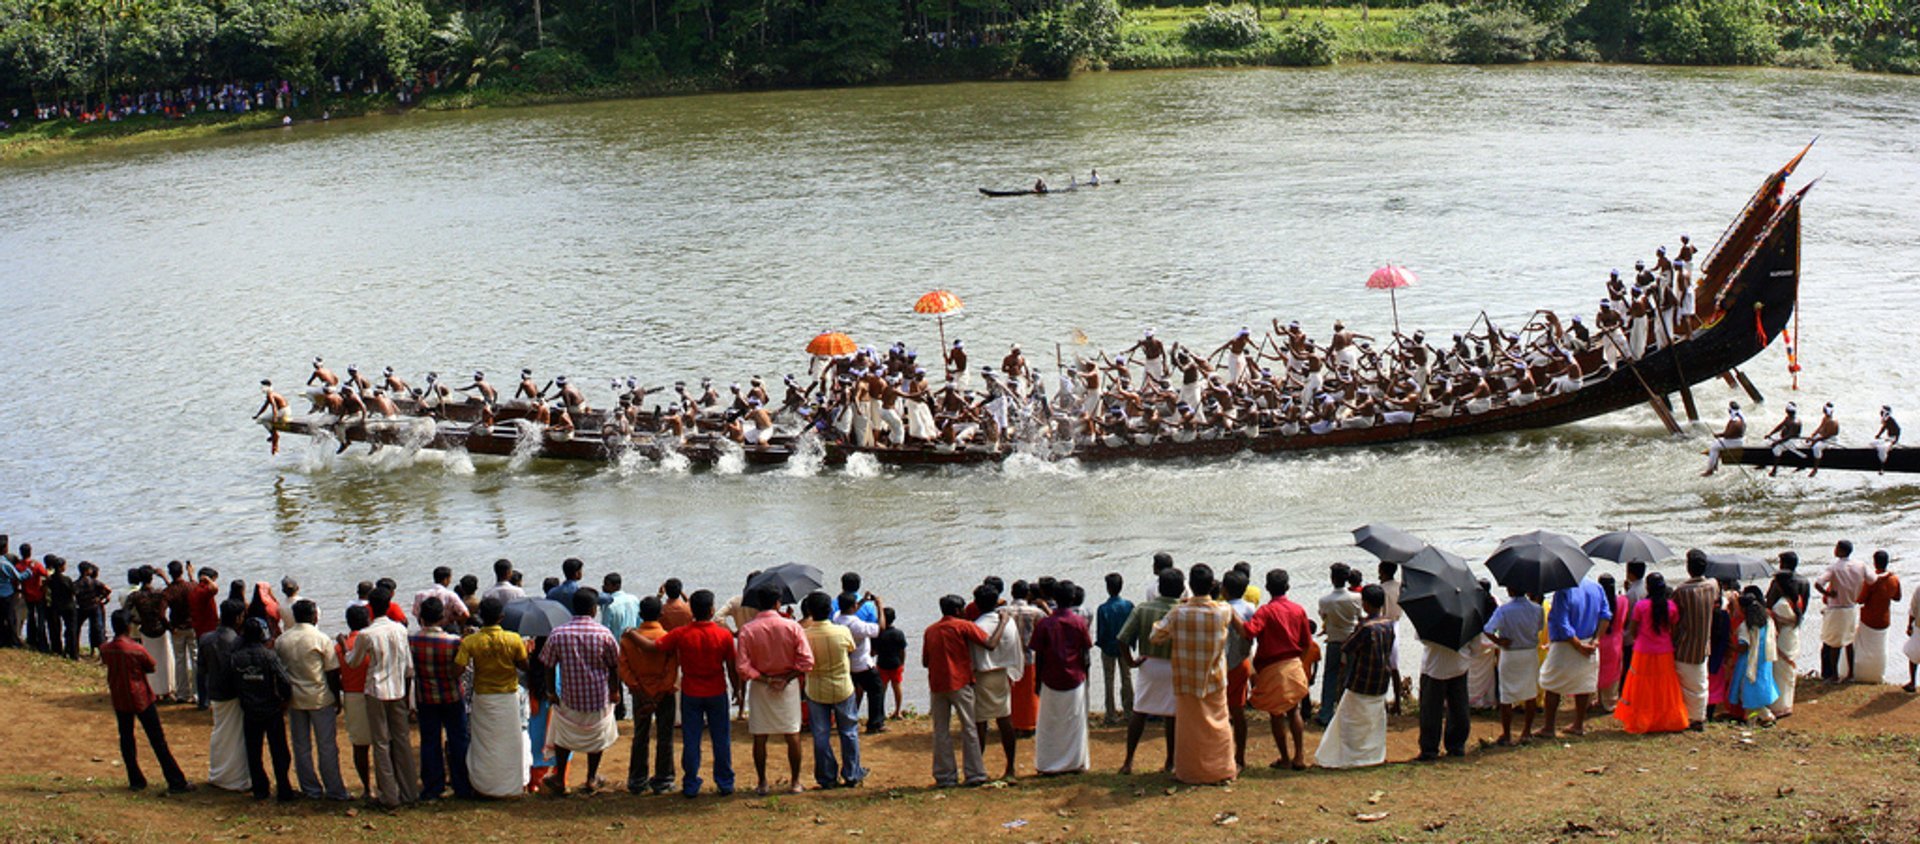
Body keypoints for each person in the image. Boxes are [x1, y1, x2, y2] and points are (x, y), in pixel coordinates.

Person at [636, 589, 738, 797]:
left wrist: (630, 634)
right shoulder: (723, 634)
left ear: (692, 610)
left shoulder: (682, 633)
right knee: (721, 738)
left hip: (691, 692)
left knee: (691, 739)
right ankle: (725, 782)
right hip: (717, 690)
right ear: (711, 610)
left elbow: (653, 647)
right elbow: (732, 666)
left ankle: (691, 783)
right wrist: (738, 689)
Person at [1150, 564, 1240, 784]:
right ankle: (1222, 769)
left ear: (1188, 586)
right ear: (1212, 585)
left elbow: (1155, 636)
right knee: (1219, 724)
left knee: (1188, 729)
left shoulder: (1178, 613)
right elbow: (1237, 620)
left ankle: (1189, 772)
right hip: (1214, 678)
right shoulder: (1223, 611)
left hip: (1186, 678)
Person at [537, 588, 621, 796]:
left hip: (569, 696)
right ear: (593, 610)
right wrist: (615, 690)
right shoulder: (604, 633)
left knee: (563, 737)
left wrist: (550, 691)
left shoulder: (559, 633)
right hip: (598, 697)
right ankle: (591, 778)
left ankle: (560, 777)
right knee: (597, 737)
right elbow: (614, 666)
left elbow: (547, 664)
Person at [103, 610, 194, 793]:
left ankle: (135, 780)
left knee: (127, 738)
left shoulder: (106, 648)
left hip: (120, 697)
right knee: (157, 740)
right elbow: (151, 666)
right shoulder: (136, 649)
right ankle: (175, 780)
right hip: (141, 697)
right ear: (129, 627)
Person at [735, 584, 814, 795]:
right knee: (792, 733)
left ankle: (762, 783)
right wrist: (786, 678)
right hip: (787, 685)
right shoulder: (792, 627)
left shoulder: (748, 629)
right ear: (778, 602)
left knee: (760, 736)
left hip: (761, 686)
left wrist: (766, 679)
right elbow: (807, 661)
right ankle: (796, 782)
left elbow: (742, 667)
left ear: (758, 604)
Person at [344, 588, 419, 808]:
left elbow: (353, 662)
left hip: (376, 691)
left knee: (381, 743)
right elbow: (408, 665)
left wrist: (342, 644)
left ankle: (389, 796)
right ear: (389, 605)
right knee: (402, 741)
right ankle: (409, 792)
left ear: (370, 608)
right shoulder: (400, 630)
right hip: (398, 689)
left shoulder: (367, 634)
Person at [274, 600, 350, 801]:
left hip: (294, 699)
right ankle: (334, 790)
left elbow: (279, 671)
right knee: (326, 746)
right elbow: (332, 672)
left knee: (301, 746)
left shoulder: (282, 640)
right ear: (314, 616)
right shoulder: (321, 639)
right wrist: (336, 698)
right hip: (319, 698)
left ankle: (310, 789)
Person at [456, 597, 530, 799]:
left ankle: (484, 786)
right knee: (510, 743)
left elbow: (458, 669)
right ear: (502, 617)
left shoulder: (471, 641)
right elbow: (524, 666)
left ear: (481, 616)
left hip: (484, 697)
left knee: (484, 744)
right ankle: (512, 786)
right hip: (508, 697)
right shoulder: (514, 639)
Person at [1316, 584, 1395, 769]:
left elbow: (1348, 647)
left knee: (1349, 719)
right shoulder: (1389, 624)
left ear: (1366, 604)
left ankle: (1351, 755)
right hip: (1381, 680)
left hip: (1361, 680)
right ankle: (1372, 754)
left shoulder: (1366, 628)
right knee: (1373, 720)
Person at [1243, 569, 1313, 769]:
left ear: (1267, 588)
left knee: (1276, 714)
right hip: (1293, 664)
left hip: (1271, 667)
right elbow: (1306, 643)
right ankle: (1299, 756)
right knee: (1294, 711)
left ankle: (1285, 758)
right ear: (1287, 587)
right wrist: (1298, 662)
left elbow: (1250, 631)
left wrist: (1233, 616)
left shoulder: (1265, 611)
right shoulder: (1298, 610)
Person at [1117, 568, 1181, 775]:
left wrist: (1131, 662)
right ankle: (1170, 761)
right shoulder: (1183, 610)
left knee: (1140, 710)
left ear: (1160, 588)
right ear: (1181, 589)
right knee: (1171, 715)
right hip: (1174, 666)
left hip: (1148, 664)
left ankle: (1128, 761)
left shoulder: (1143, 609)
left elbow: (1123, 638)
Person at [923, 594, 991, 787]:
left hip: (937, 685)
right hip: (960, 682)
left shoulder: (930, 630)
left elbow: (925, 661)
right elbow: (989, 643)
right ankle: (975, 773)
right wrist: (1003, 622)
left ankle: (945, 776)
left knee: (941, 731)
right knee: (969, 728)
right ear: (956, 611)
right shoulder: (963, 626)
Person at [227, 618, 295, 801]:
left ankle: (260, 789)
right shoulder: (269, 656)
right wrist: (284, 701)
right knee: (279, 751)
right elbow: (285, 681)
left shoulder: (236, 658)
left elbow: (231, 682)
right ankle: (284, 788)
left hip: (249, 710)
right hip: (272, 710)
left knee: (253, 752)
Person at [800, 592, 864, 789]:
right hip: (842, 686)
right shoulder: (842, 631)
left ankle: (827, 777)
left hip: (816, 689)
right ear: (830, 610)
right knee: (849, 731)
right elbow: (851, 648)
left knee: (821, 734)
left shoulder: (804, 635)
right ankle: (852, 773)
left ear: (809, 611)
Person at [411, 597, 471, 800]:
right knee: (458, 741)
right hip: (452, 696)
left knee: (430, 742)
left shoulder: (412, 641)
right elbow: (459, 670)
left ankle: (432, 786)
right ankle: (461, 785)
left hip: (425, 697)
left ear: (421, 618)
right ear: (442, 617)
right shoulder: (453, 642)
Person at [1030, 581, 1092, 775]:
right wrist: (1086, 678)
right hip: (1075, 677)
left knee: (1049, 724)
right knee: (1074, 723)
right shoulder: (1078, 622)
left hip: (1050, 678)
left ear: (1055, 598)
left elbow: (1039, 655)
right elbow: (1085, 652)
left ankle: (1048, 764)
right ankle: (1075, 762)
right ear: (1073, 598)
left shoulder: (1045, 623)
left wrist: (1037, 681)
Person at [1615, 573, 1689, 734]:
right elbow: (1673, 630)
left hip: (1643, 651)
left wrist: (1642, 639)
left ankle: (1642, 720)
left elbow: (1633, 630)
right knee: (1664, 686)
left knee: (1642, 687)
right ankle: (1667, 720)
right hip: (1664, 651)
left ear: (1648, 587)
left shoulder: (1641, 606)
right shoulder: (1671, 606)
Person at [1540, 576, 1612, 737]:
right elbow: (1605, 615)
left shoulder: (1563, 590)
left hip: (1566, 644)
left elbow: (1562, 623)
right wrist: (1597, 639)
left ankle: (1549, 727)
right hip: (1589, 642)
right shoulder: (1596, 587)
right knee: (1583, 685)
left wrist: (1578, 645)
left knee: (1552, 685)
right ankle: (1578, 724)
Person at [619, 596, 678, 794]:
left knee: (640, 735)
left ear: (640, 615)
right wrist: (660, 692)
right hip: (663, 693)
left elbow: (624, 668)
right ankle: (664, 779)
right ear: (661, 614)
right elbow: (672, 669)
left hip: (640, 693)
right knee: (664, 736)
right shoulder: (667, 637)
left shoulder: (628, 639)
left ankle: (637, 779)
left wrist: (638, 689)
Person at [969, 583, 1023, 781]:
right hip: (1002, 674)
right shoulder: (1007, 623)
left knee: (980, 723)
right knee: (1005, 720)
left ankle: (978, 768)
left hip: (982, 675)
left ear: (976, 603)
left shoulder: (977, 626)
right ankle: (1010, 767)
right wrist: (1014, 672)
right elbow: (1016, 649)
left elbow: (972, 655)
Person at [200, 599, 251, 792]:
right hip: (234, 694)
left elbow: (202, 669)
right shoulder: (238, 642)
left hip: (215, 692)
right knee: (237, 737)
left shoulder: (206, 639)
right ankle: (236, 778)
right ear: (238, 618)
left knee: (220, 732)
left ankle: (218, 773)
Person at [1483, 584, 1542, 745]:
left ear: (1511, 590)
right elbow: (1539, 627)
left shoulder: (1504, 610)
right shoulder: (1537, 608)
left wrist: (1498, 641)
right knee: (1530, 693)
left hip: (1510, 653)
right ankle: (1526, 732)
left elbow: (1488, 629)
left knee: (1506, 695)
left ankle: (1507, 734)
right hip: (1529, 653)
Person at [1673, 551, 1718, 730]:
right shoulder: (1712, 586)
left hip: (1684, 645)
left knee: (1686, 686)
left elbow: (1674, 617)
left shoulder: (1681, 591)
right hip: (1703, 645)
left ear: (1688, 568)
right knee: (1700, 684)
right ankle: (1698, 717)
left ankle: (1691, 718)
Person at [334, 605, 375, 798]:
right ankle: (386, 785)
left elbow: (335, 676)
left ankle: (367, 788)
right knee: (383, 742)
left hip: (352, 695)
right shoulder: (373, 641)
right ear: (368, 621)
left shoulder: (341, 646)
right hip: (375, 693)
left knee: (360, 745)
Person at [1219, 569, 1258, 769]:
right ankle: (1240, 756)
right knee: (1238, 709)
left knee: (1220, 711)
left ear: (1223, 589)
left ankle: (1222, 755)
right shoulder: (1250, 608)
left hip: (1220, 664)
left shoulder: (1220, 608)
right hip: (1242, 661)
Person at [1315, 563, 1363, 727]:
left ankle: (1326, 713)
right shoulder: (1356, 598)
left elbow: (1324, 618)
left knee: (1330, 677)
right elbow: (1360, 617)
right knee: (1351, 677)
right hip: (1352, 641)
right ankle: (1349, 713)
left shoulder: (1325, 600)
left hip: (1334, 641)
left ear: (1332, 579)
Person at [832, 591, 886, 735]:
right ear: (853, 606)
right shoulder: (857, 625)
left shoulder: (837, 618)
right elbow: (880, 629)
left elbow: (849, 611)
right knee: (876, 691)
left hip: (846, 664)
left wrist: (862, 601)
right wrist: (880, 607)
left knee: (847, 695)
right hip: (861, 664)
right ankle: (875, 723)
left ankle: (844, 721)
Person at [1814, 540, 1867, 683]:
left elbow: (1818, 583)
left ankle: (1834, 675)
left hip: (1836, 609)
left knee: (1833, 642)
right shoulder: (1860, 566)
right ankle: (1851, 674)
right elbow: (1872, 580)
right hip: (1850, 607)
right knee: (1849, 641)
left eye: (1836, 548)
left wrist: (1828, 593)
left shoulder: (1834, 567)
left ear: (1841, 551)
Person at [1728, 589, 1779, 725]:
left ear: (1743, 609)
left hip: (1748, 662)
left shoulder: (1746, 626)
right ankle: (1755, 718)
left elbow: (1743, 647)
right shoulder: (1767, 621)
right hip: (1764, 660)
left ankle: (1766, 716)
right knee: (1760, 687)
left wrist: (1729, 646)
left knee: (1748, 691)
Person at [1766, 559, 1808, 716]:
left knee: (1780, 671)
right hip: (1792, 635)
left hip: (1783, 637)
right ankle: (1786, 704)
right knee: (1787, 671)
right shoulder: (1797, 600)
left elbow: (1773, 617)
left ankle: (1779, 706)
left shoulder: (1783, 604)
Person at [1094, 573, 1135, 725]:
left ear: (1108, 588)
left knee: (1109, 680)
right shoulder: (1128, 605)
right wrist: (1132, 644)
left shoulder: (1103, 608)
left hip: (1108, 648)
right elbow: (1133, 627)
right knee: (1127, 677)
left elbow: (1101, 632)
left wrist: (1102, 645)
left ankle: (1110, 714)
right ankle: (1129, 711)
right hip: (1124, 647)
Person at [1854, 551, 1900, 685]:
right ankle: (1878, 674)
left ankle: (1861, 674)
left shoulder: (1872, 581)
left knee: (1864, 648)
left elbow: (1861, 600)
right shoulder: (1894, 579)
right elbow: (1897, 597)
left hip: (1869, 619)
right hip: (1884, 619)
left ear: (1874, 563)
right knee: (1880, 649)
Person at [599, 573, 641, 719]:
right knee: (635, 683)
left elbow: (605, 629)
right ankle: (638, 712)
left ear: (615, 586)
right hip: (634, 648)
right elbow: (640, 623)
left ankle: (619, 713)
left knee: (615, 682)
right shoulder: (634, 599)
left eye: (606, 584)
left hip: (616, 648)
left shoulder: (609, 605)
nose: (603, 587)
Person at [162, 561, 197, 705]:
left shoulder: (168, 591)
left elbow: (161, 613)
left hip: (177, 629)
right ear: (182, 571)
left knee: (180, 660)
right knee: (195, 659)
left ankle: (182, 693)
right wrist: (191, 575)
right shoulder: (191, 586)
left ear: (170, 573)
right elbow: (196, 587)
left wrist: (169, 627)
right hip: (192, 626)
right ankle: (197, 693)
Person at [1595, 574, 1627, 712]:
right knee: (1613, 673)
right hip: (1615, 641)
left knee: (1597, 671)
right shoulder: (1622, 601)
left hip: (1600, 638)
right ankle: (1609, 702)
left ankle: (1597, 699)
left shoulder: (1597, 601)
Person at [874, 607, 907, 720]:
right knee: (897, 687)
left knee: (881, 690)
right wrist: (902, 663)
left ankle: (880, 713)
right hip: (896, 663)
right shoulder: (898, 633)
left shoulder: (879, 634)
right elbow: (902, 650)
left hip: (882, 664)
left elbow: (874, 651)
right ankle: (898, 711)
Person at [1701, 401, 1748, 476]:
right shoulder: (1741, 418)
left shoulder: (1735, 421)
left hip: (1734, 442)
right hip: (1739, 441)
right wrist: (1721, 435)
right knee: (1716, 443)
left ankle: (1710, 470)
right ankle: (1715, 466)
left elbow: (1728, 435)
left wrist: (1719, 435)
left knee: (1714, 447)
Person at [1873, 406, 1901, 473]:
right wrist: (1878, 435)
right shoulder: (1887, 420)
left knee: (1883, 449)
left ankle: (1882, 467)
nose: (1880, 413)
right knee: (1874, 444)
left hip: (1892, 438)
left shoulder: (1890, 420)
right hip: (1889, 438)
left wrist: (1894, 440)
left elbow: (1898, 430)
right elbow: (1883, 428)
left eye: (1882, 412)